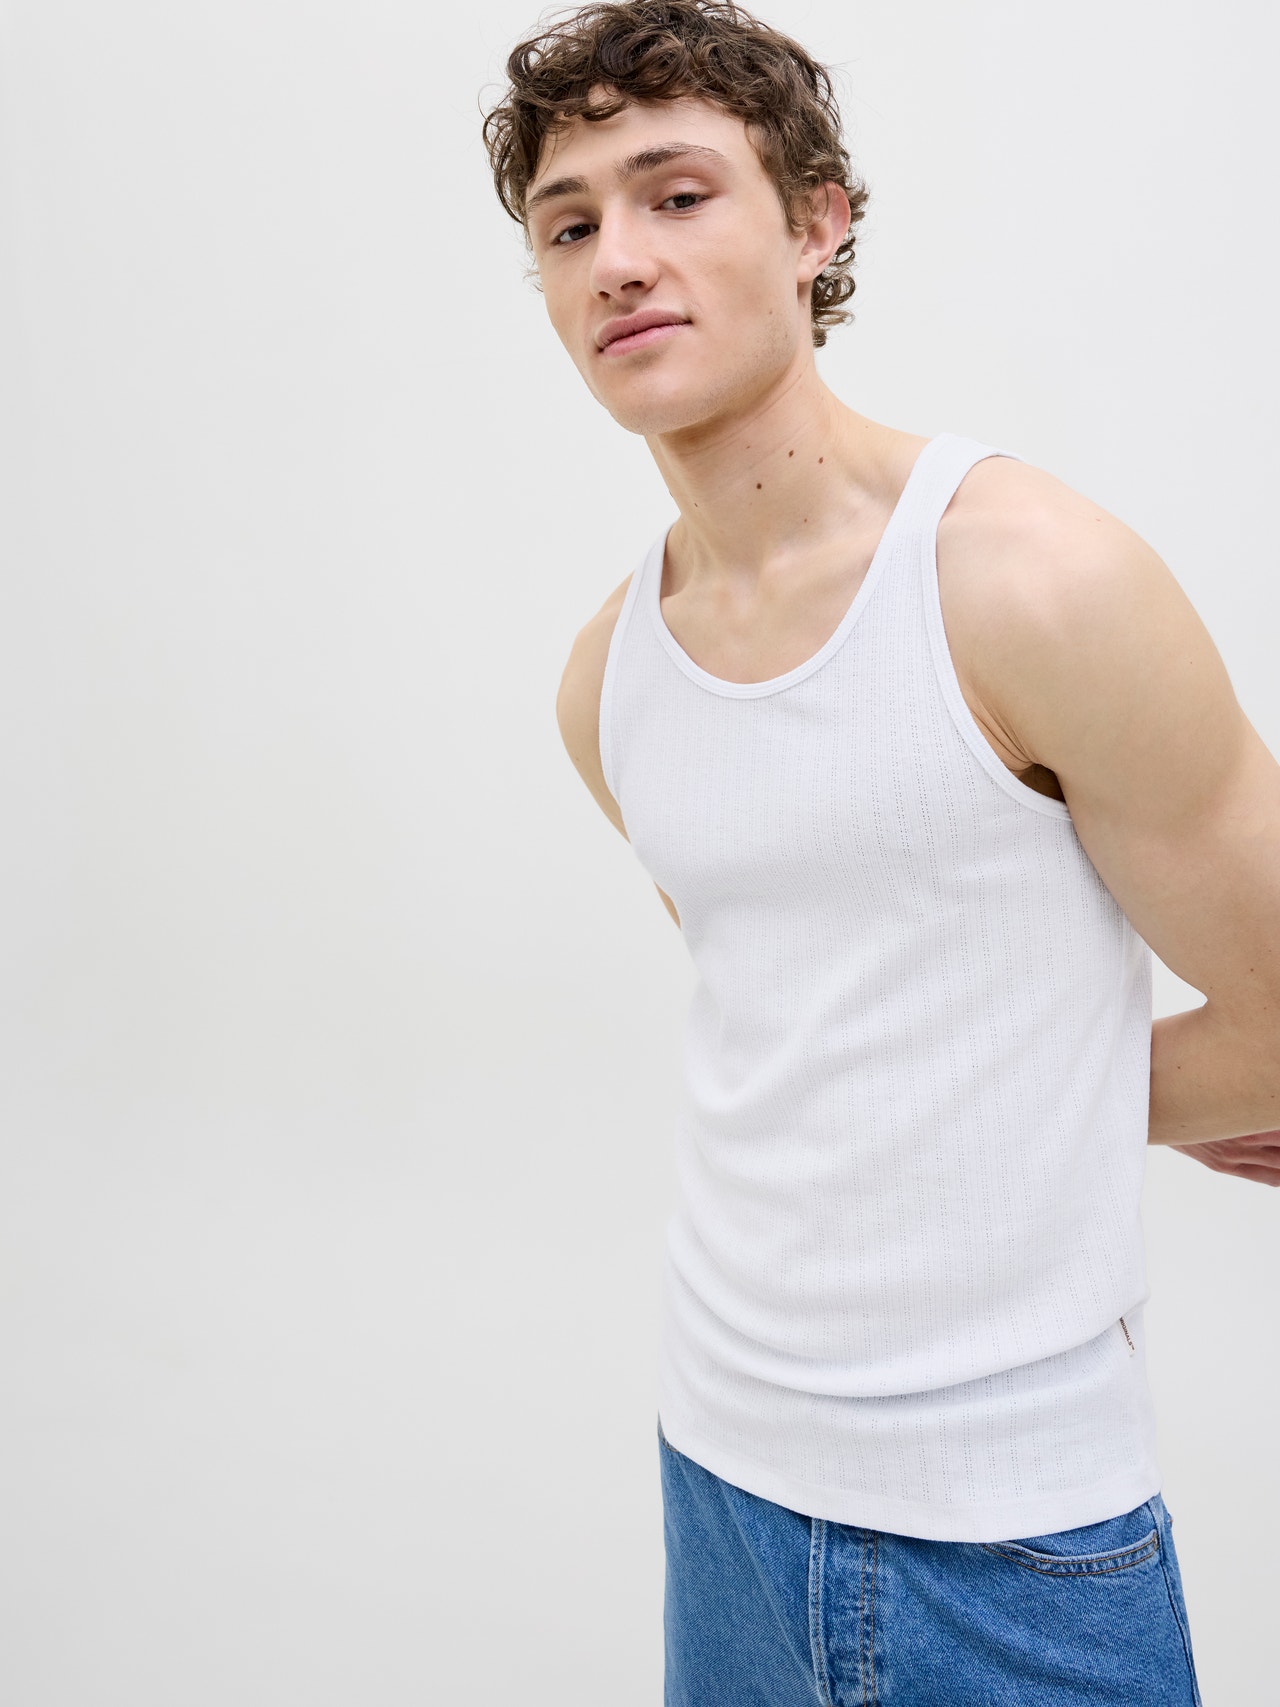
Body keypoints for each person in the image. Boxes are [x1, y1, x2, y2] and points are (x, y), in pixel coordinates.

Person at [482, 4, 1280, 1700]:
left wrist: (1060, 1096)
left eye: (676, 195)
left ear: (817, 222)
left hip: (1011, 1538)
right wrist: (1027, 1092)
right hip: (720, 1470)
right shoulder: (606, 684)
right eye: (570, 225)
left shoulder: (1028, 581)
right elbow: (815, 1025)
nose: (619, 259)